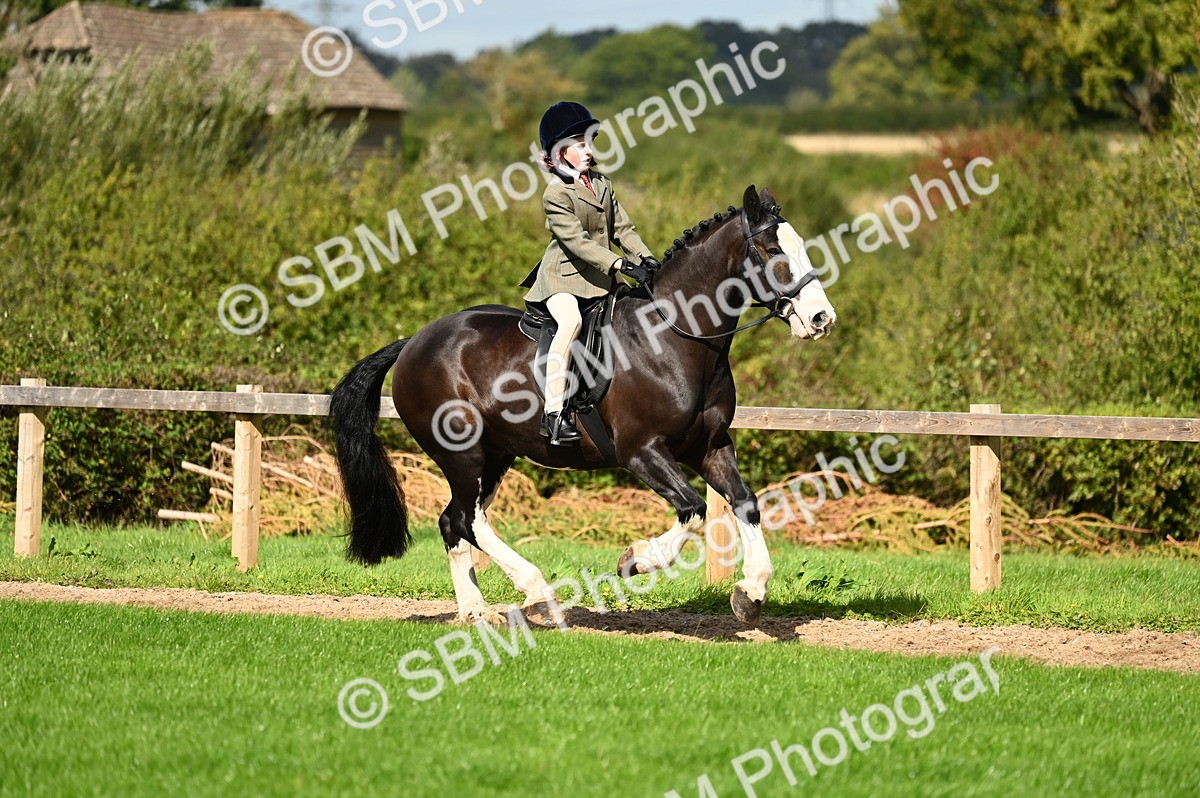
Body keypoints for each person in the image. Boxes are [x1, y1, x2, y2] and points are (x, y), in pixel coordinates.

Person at [521, 101, 660, 446]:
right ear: (559, 153)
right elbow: (577, 242)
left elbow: (624, 229)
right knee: (571, 324)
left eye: (588, 141)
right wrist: (619, 264)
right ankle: (553, 415)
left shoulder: (602, 184)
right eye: (579, 144)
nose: (588, 149)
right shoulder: (555, 194)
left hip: (602, 281)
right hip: (563, 279)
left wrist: (646, 258)